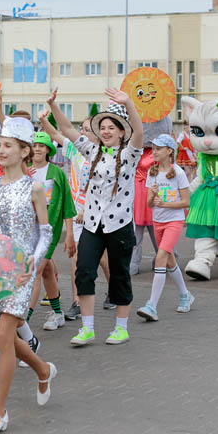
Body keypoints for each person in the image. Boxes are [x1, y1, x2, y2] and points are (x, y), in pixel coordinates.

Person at [0, 118, 56, 434]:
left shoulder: (35, 187)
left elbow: (45, 232)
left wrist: (33, 263)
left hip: (23, 271)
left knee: (5, 333)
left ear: (26, 152)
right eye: (0, 144)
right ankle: (43, 369)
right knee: (5, 337)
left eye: (8, 145)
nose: (0, 150)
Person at [48, 87, 144, 346]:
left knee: (120, 275)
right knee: (84, 272)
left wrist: (129, 104)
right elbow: (67, 130)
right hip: (91, 223)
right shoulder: (92, 151)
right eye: (103, 127)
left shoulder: (129, 154)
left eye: (112, 127)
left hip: (119, 224)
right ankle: (87, 328)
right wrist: (54, 106)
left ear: (122, 131)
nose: (106, 131)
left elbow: (140, 133)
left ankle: (121, 328)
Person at [136, 134, 193, 322]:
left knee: (160, 257)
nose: (155, 151)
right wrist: (152, 196)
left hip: (174, 221)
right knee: (168, 261)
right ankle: (185, 295)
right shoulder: (152, 173)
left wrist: (167, 204)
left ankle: (152, 305)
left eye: (158, 148)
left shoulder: (179, 173)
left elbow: (186, 202)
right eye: (153, 148)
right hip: (157, 221)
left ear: (169, 151)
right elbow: (151, 204)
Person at [28, 131, 77, 332]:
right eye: (35, 145)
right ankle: (57, 314)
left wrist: (71, 234)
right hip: (29, 228)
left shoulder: (56, 173)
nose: (37, 149)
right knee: (47, 270)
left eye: (42, 146)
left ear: (48, 149)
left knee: (37, 270)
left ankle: (23, 320)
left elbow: (67, 204)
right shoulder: (24, 171)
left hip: (49, 228)